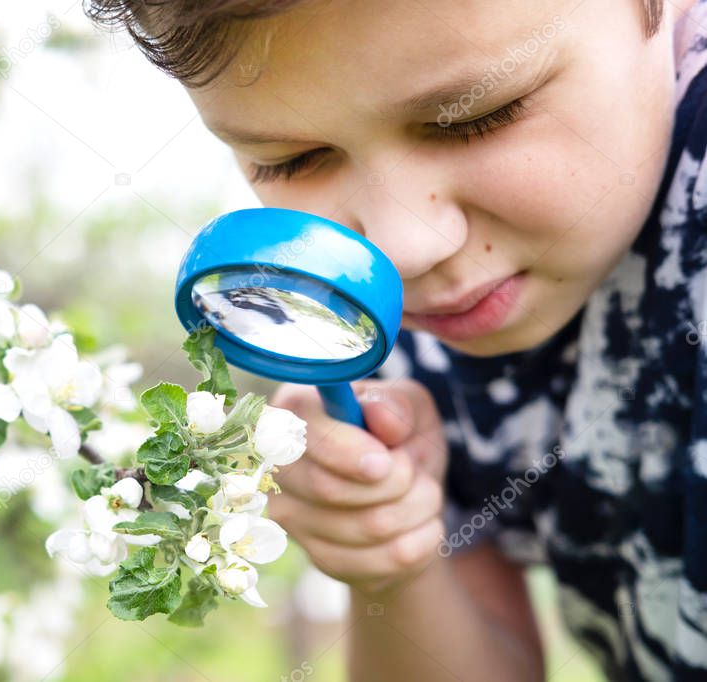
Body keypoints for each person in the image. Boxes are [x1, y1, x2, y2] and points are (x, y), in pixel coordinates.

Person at [86, 1, 707, 679]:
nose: (403, 248)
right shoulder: (417, 337)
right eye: (289, 160)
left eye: (477, 116)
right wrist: (395, 567)